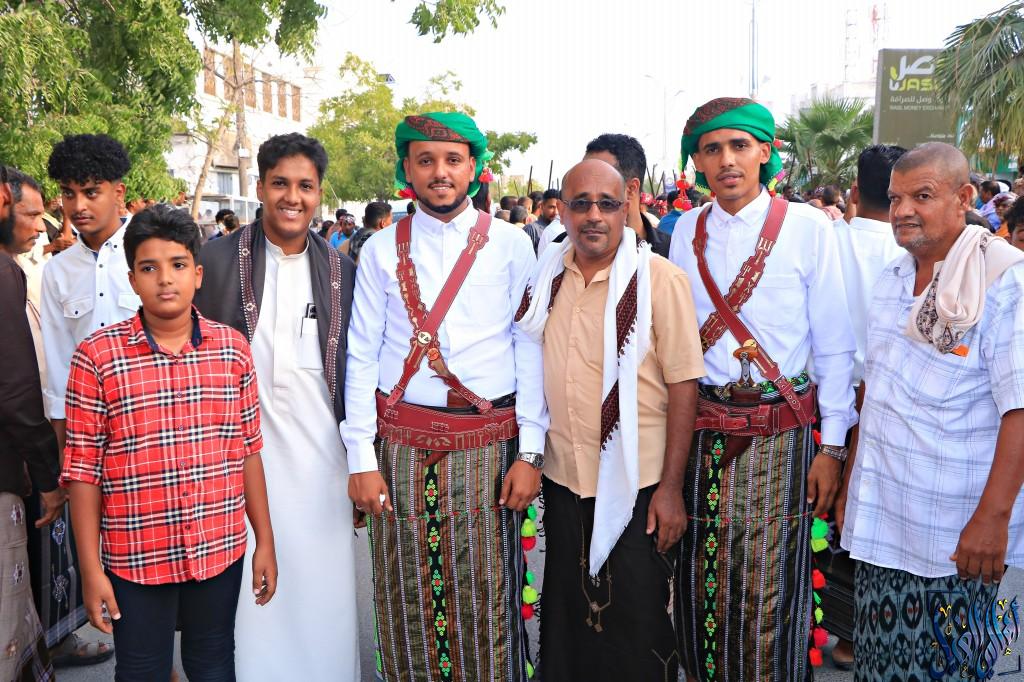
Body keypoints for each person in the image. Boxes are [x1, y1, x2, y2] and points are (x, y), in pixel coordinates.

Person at [343, 112, 546, 682]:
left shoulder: (512, 245)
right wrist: (361, 458)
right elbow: (361, 354)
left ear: (474, 168)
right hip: (400, 449)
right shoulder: (380, 249)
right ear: (406, 169)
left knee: (490, 597)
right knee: (404, 593)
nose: (440, 172)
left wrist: (531, 453)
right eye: (426, 160)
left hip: (489, 450)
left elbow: (529, 349)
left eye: (453, 159)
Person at [668, 97, 857, 681]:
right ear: (697, 162)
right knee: (700, 583)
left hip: (782, 435)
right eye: (712, 149)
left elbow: (835, 345)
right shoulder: (687, 229)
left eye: (740, 146)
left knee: (771, 591)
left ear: (765, 153)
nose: (727, 160)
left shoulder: (809, 227)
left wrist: (832, 447)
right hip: (703, 435)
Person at [62, 205, 276, 681]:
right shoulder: (97, 358)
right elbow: (83, 472)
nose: (164, 279)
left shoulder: (232, 351)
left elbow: (248, 451)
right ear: (132, 280)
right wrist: (91, 571)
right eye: (149, 268)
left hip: (218, 546)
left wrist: (265, 541)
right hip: (136, 555)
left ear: (197, 274)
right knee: (142, 669)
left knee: (214, 662)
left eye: (177, 265)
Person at [838, 142, 1024, 682]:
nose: (903, 210)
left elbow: (1019, 409)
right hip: (884, 527)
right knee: (879, 669)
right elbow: (875, 396)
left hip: (960, 540)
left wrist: (991, 521)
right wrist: (851, 487)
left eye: (922, 196)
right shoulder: (893, 279)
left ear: (964, 198)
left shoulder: (1004, 282)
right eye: (896, 198)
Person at [517, 158, 704, 680]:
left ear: (627, 208)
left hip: (637, 486)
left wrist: (671, 489)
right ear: (562, 211)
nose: (593, 215)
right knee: (569, 627)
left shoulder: (659, 280)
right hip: (564, 481)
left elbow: (684, 385)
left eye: (607, 203)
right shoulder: (546, 278)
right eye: (581, 204)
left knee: (636, 631)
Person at [194, 133, 359, 681]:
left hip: (322, 465)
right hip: (241, 461)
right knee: (248, 606)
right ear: (261, 187)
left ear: (319, 193)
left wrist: (362, 461)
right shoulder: (214, 263)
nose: (293, 197)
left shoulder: (341, 272)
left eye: (305, 186)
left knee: (323, 596)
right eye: (280, 184)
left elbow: (359, 373)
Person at [40, 133, 140, 666]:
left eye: (91, 191)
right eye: (68, 193)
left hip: (155, 427)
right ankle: (148, 662)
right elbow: (58, 368)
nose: (78, 205)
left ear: (118, 192)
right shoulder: (58, 271)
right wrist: (61, 458)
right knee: (106, 552)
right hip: (91, 435)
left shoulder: (151, 251)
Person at [825, 143, 907, 670]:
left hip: (826, 402)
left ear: (855, 191)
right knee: (865, 520)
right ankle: (854, 638)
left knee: (818, 519)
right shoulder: (916, 253)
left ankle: (811, 624)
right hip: (883, 405)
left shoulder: (827, 239)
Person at [0, 164, 63, 682]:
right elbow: (17, 388)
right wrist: (47, 475)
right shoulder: (4, 271)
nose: (40, 227)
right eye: (30, 213)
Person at [584, 134, 670, 257]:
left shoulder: (671, 251)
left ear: (631, 189)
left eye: (597, 180)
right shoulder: (564, 247)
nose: (583, 188)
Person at [340, 200, 392, 264]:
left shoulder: (351, 240)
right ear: (383, 223)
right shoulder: (379, 243)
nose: (391, 224)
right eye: (391, 220)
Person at [535, 188, 565, 256]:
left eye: (557, 207)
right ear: (542, 206)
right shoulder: (532, 229)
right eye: (551, 207)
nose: (556, 212)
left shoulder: (563, 227)